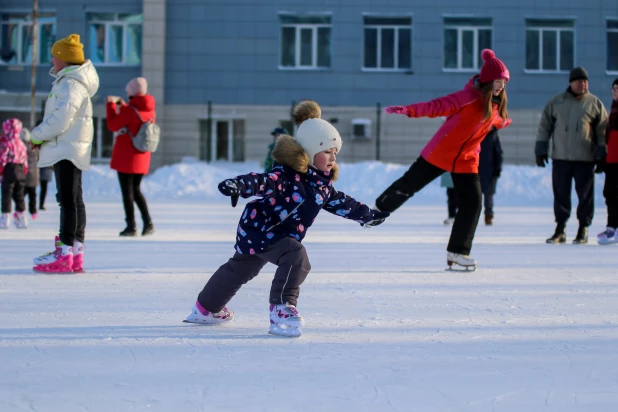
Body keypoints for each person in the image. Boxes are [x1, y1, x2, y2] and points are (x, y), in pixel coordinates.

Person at [184, 100, 390, 337]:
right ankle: (281, 308)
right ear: (309, 152)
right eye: (326, 151)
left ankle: (205, 309)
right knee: (295, 255)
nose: (332, 157)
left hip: (264, 233)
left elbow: (343, 203)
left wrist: (367, 216)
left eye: (335, 152)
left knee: (240, 270)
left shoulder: (323, 187)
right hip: (261, 229)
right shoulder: (286, 176)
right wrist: (239, 185)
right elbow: (261, 181)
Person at [375, 49, 511, 270]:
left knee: (473, 203)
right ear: (487, 80)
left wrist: (505, 122)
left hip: (467, 160)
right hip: (441, 152)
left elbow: (497, 121)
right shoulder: (466, 98)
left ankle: (457, 252)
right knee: (409, 184)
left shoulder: (495, 105)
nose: (501, 87)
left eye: (504, 82)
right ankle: (376, 211)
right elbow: (435, 106)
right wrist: (409, 110)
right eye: (497, 81)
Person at [29, 34, 99, 273]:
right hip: (71, 146)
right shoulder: (71, 81)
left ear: (63, 59)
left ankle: (65, 250)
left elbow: (60, 119)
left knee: (68, 200)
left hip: (67, 147)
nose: (51, 59)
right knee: (73, 199)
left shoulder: (70, 84)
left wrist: (36, 136)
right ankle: (75, 250)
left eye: (54, 55)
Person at [535, 67, 608, 245]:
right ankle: (560, 229)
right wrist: (541, 148)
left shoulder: (594, 104)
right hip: (561, 157)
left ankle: (583, 229)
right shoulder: (557, 102)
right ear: (571, 83)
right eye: (579, 81)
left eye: (585, 81)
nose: (583, 84)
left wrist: (601, 154)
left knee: (585, 196)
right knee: (560, 194)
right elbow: (545, 125)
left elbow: (602, 131)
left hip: (585, 158)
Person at [106, 77, 156, 237]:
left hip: (127, 157)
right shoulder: (149, 109)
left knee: (127, 192)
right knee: (135, 190)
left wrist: (111, 105)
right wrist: (125, 106)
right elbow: (133, 119)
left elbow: (113, 125)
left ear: (132, 92)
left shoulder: (129, 111)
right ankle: (148, 223)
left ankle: (131, 226)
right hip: (142, 156)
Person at [598, 78, 618, 245]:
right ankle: (612, 226)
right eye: (614, 89)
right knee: (610, 194)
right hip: (612, 160)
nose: (615, 92)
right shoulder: (612, 110)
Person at [0, 118, 28, 229]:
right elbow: (25, 159)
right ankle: (22, 218)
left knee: (6, 194)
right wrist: (25, 170)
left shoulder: (7, 143)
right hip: (20, 170)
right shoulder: (21, 143)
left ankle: (5, 218)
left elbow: (3, 158)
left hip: (9, 170)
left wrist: (1, 169)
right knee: (19, 195)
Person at [478, 127, 503, 225]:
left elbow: (498, 152)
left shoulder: (493, 135)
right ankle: (476, 216)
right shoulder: (477, 132)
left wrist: (498, 168)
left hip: (489, 168)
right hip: (477, 167)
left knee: (488, 194)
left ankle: (488, 215)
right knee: (479, 194)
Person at [20, 127, 40, 220]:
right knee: (33, 195)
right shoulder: (34, 147)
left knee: (21, 194)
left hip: (24, 174)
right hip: (33, 175)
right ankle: (33, 212)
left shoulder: (20, 146)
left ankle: (20, 210)